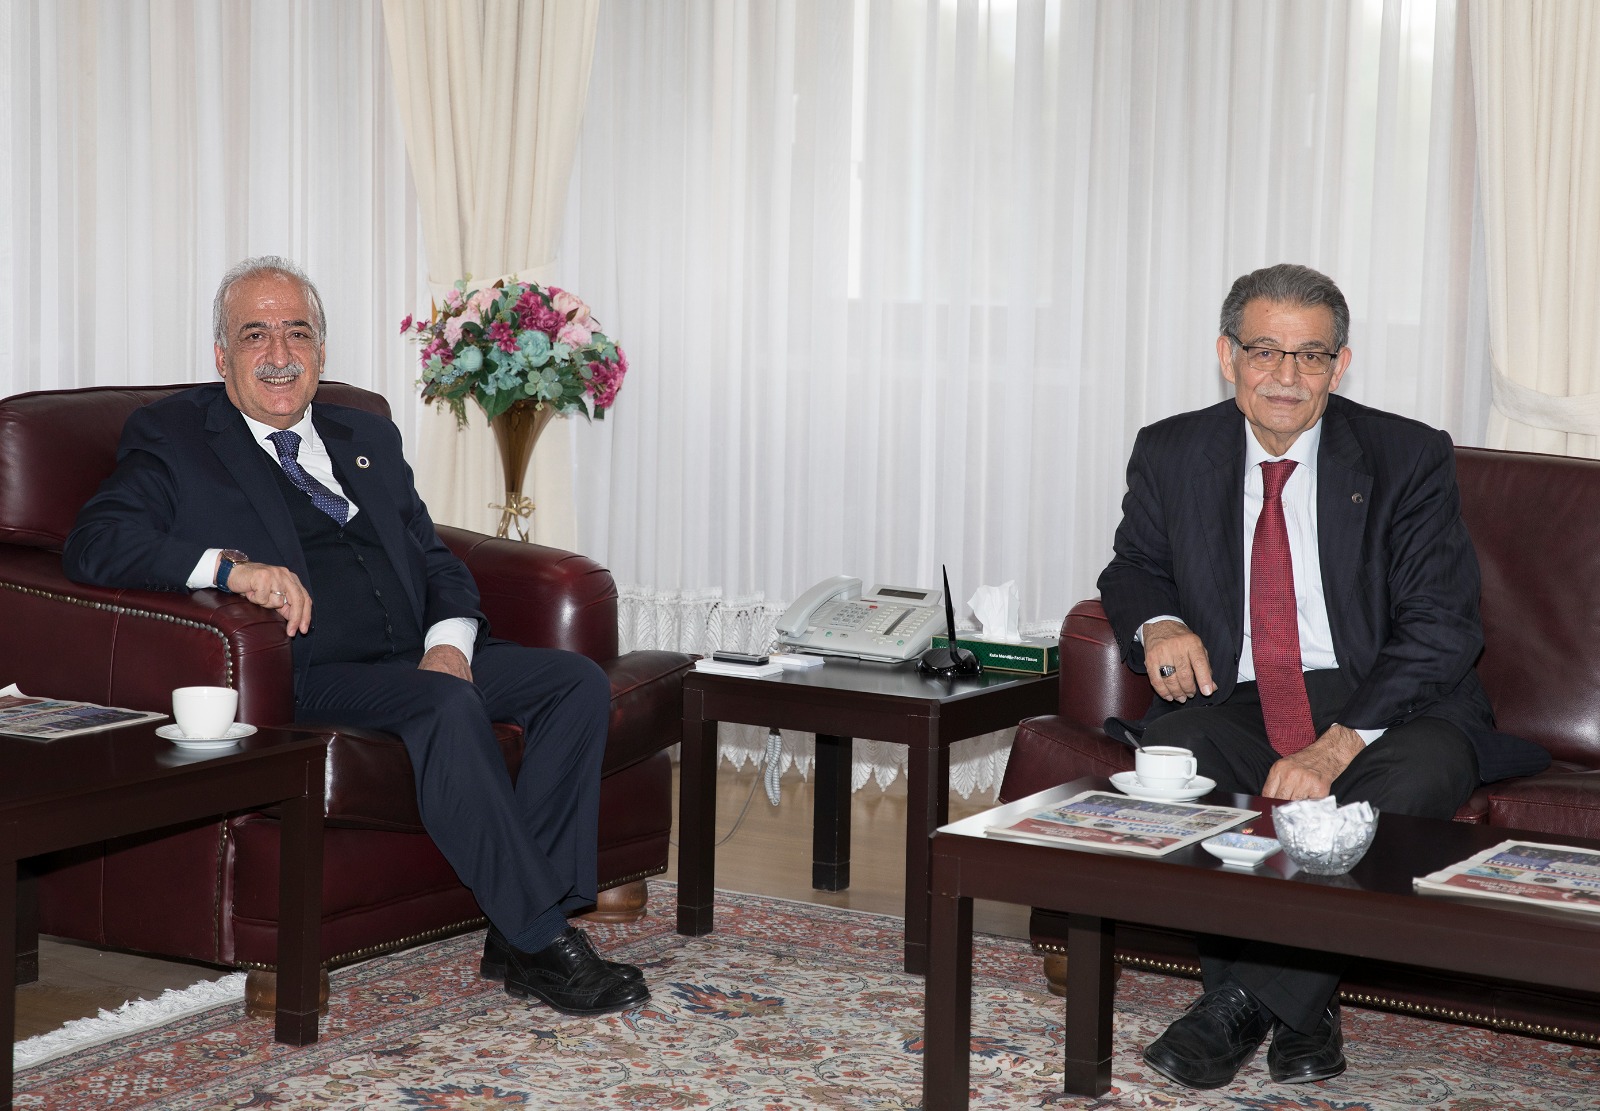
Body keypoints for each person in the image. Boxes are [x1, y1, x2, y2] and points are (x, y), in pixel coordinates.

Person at [64, 256, 649, 1018]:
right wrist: (230, 569)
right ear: (221, 356)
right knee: (445, 706)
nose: (280, 353)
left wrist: (449, 642)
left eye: (297, 332)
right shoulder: (176, 436)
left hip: (412, 656)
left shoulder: (365, 432)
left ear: (321, 349)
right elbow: (97, 542)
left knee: (576, 685)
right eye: (255, 335)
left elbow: (434, 557)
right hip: (313, 670)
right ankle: (542, 938)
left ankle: (516, 929)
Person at [1097, 263, 1549, 1090]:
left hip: (1389, 701)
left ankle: (1237, 1007)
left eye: (1310, 356)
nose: (1286, 376)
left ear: (1340, 366)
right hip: (1239, 696)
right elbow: (1134, 567)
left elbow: (1442, 627)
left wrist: (1337, 746)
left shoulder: (1406, 456)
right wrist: (1158, 622)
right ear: (1227, 356)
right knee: (1177, 754)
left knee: (1412, 774)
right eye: (1264, 351)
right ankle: (1306, 1009)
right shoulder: (1170, 449)